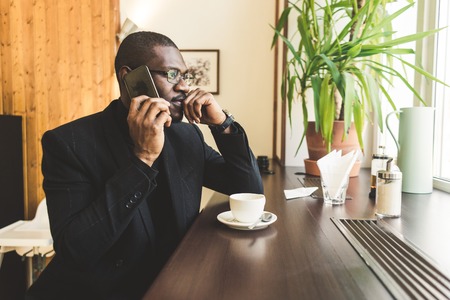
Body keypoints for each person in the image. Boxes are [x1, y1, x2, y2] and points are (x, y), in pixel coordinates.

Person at [26, 31, 263, 300]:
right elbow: (76, 251)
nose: (184, 87)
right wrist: (143, 159)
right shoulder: (69, 143)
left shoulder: (186, 136)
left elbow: (249, 189)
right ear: (130, 77)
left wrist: (222, 124)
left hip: (175, 284)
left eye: (185, 76)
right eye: (172, 74)